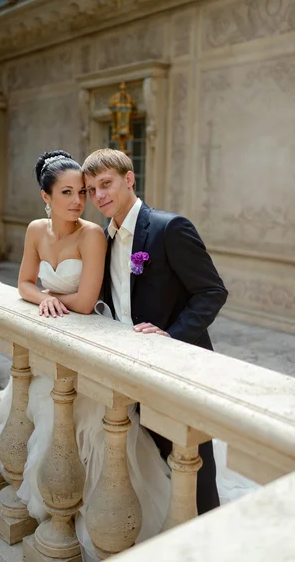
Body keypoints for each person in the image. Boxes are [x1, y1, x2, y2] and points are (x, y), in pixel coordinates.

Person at [0, 150, 172, 561]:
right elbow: (23, 283)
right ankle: (58, 511)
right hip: (49, 345)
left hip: (86, 342)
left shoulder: (92, 234)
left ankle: (95, 519)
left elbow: (88, 301)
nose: (79, 201)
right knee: (43, 422)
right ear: (47, 196)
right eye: (69, 192)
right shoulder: (36, 230)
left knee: (89, 426)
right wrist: (45, 299)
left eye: (84, 192)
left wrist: (53, 297)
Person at [82, 147, 229, 514]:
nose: (99, 196)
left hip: (178, 368)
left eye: (106, 184)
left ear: (129, 179)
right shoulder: (105, 237)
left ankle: (207, 536)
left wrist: (171, 337)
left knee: (192, 465)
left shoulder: (169, 228)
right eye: (91, 190)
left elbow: (212, 291)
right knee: (151, 461)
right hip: (130, 371)